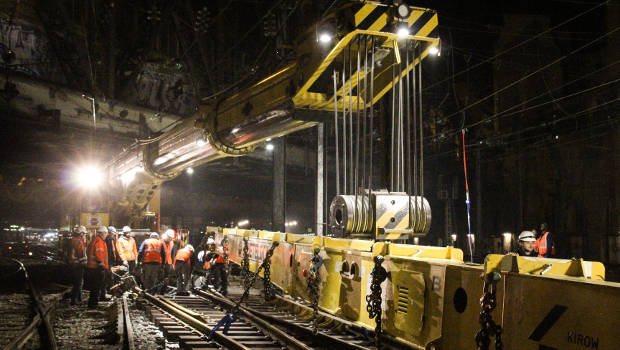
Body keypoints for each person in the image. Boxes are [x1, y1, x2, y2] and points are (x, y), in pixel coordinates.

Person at [86, 226, 108, 309]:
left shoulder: (96, 240)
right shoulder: (99, 241)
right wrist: (102, 265)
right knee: (96, 287)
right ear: (102, 233)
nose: (106, 235)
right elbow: (99, 254)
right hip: (96, 268)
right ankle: (93, 305)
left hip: (93, 267)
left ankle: (93, 304)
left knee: (95, 287)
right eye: (106, 233)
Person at [68, 226, 87, 305]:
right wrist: (84, 258)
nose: (84, 235)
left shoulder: (73, 240)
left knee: (77, 282)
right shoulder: (78, 241)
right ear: (81, 233)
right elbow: (81, 254)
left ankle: (78, 299)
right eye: (84, 234)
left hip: (73, 264)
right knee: (78, 283)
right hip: (77, 264)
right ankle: (74, 300)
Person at [100, 226, 120, 300]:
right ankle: (107, 293)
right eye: (113, 234)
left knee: (110, 278)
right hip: (108, 263)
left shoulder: (111, 240)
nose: (114, 235)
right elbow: (108, 253)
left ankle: (108, 293)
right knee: (107, 279)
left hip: (111, 262)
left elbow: (114, 252)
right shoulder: (107, 241)